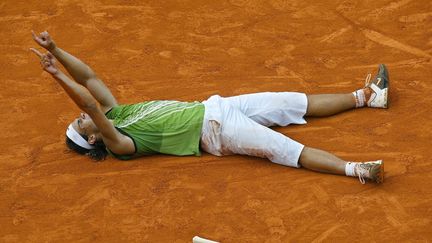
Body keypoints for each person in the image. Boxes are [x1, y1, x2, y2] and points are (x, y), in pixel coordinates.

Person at [30, 31, 389, 184]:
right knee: (287, 151)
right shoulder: (120, 143)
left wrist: (57, 51)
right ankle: (357, 170)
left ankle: (368, 96)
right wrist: (54, 76)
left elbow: (91, 80)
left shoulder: (117, 113)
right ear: (93, 141)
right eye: (80, 125)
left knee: (292, 101)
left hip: (215, 107)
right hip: (217, 132)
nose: (80, 118)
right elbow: (89, 104)